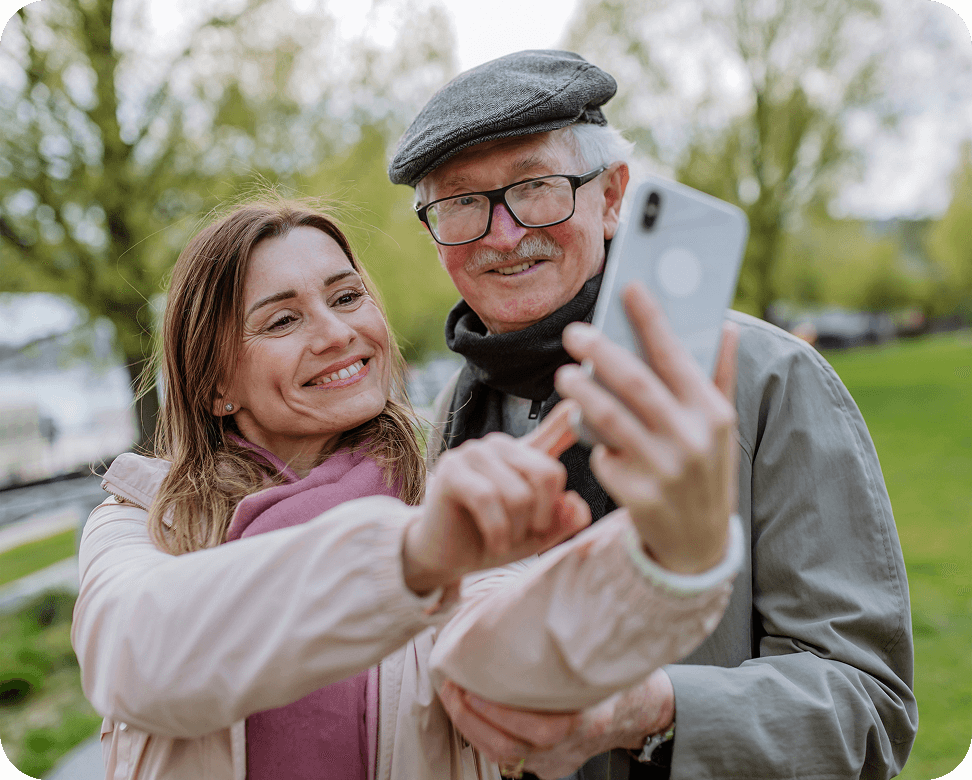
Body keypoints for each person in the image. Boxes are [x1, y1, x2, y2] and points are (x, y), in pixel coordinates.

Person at [70, 199, 745, 780]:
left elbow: (525, 660)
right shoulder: (140, 518)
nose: (338, 334)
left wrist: (675, 548)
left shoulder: (441, 490)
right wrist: (413, 558)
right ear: (215, 383)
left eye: (345, 296)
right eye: (283, 320)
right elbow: (140, 657)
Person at [387, 50, 917, 780]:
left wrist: (651, 712)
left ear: (611, 198)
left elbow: (868, 710)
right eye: (461, 204)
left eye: (536, 188)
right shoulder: (454, 409)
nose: (502, 234)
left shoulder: (769, 379)